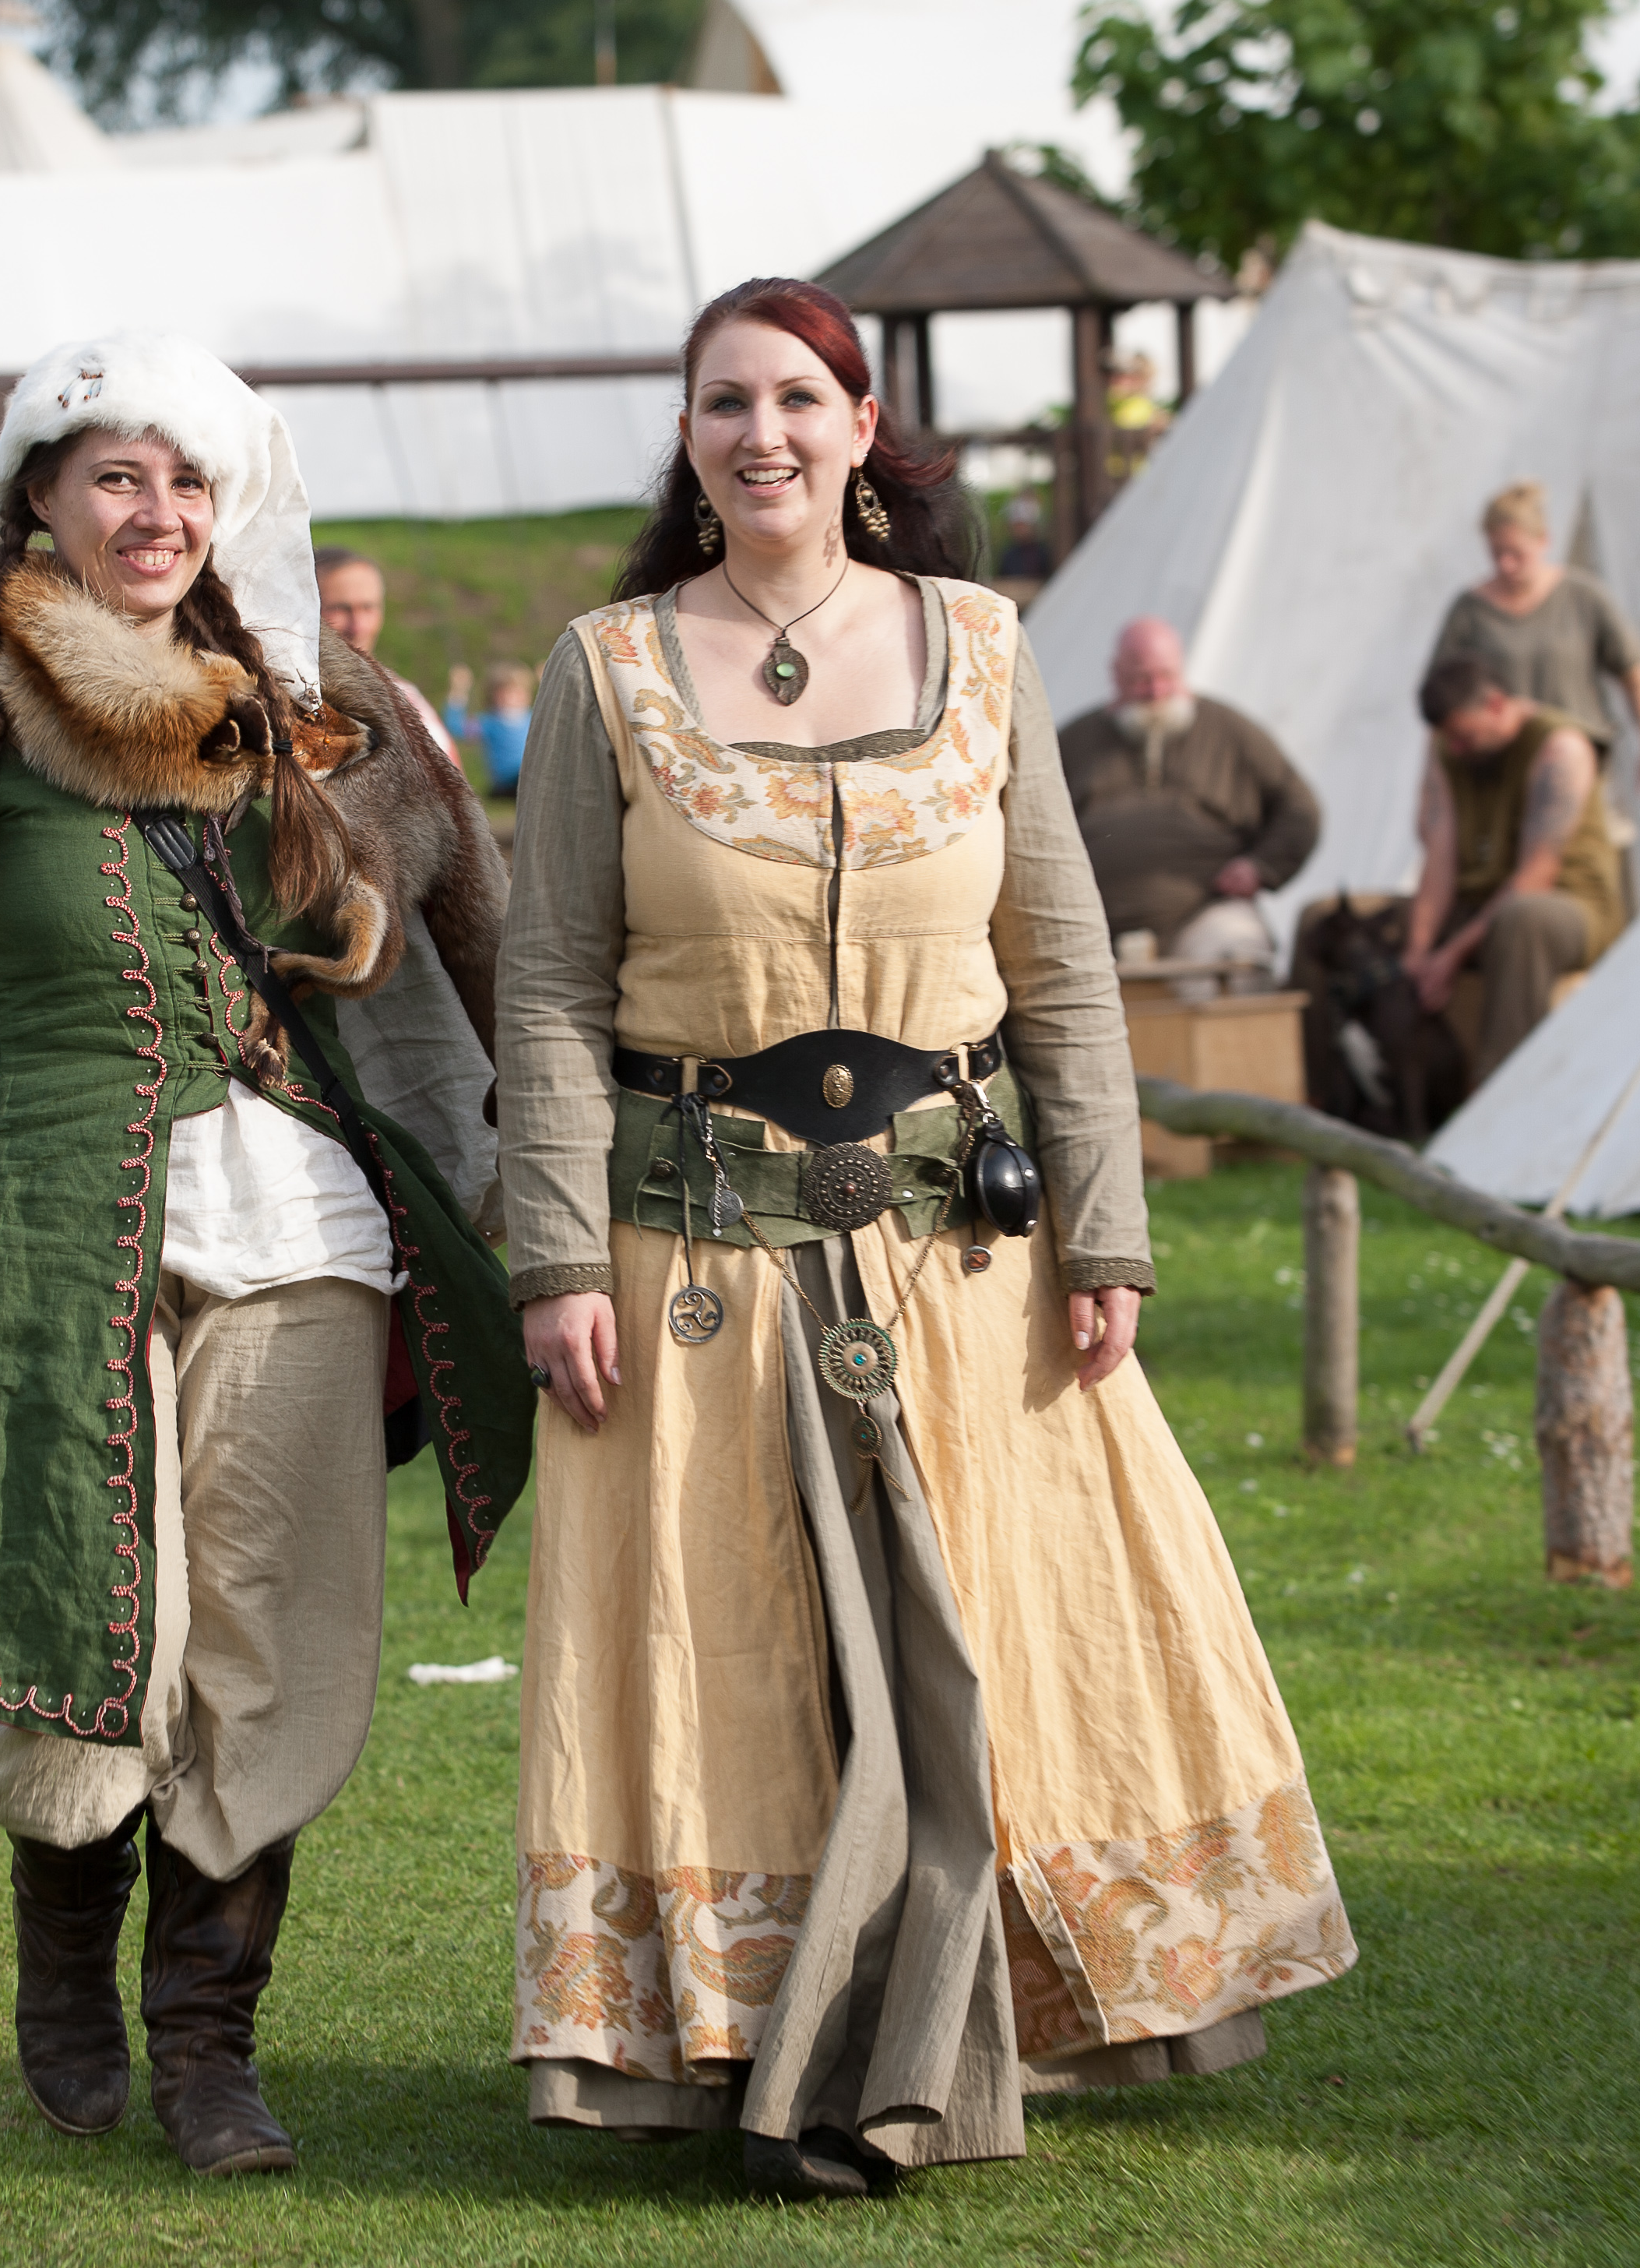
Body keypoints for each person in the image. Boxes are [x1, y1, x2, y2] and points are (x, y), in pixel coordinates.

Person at [497, 276, 1353, 2201]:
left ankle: (982, 2022)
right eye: (726, 403)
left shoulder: (982, 644)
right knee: (737, 1658)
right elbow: (545, 983)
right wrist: (552, 1257)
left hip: (959, 1255)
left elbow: (1062, 960)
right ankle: (761, 2041)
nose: (764, 434)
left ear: (863, 427)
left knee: (992, 1649)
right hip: (697, 1259)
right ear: (688, 437)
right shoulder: (606, 669)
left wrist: (1106, 1229)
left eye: (799, 398)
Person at [0, 332, 528, 2178]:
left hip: (295, 1231)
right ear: (40, 496)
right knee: (78, 1605)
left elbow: (446, 947)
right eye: (116, 474)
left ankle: (211, 2041)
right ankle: (64, 1955)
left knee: (270, 1631)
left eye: (186, 479)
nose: (155, 510)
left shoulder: (305, 705)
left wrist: (477, 1163)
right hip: (53, 1226)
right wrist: (2, 1151)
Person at [1057, 615, 1318, 991]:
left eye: (1166, 675)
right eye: (1141, 678)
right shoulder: (1074, 743)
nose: (1155, 690)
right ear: (1116, 675)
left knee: (1242, 956)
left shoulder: (1229, 732)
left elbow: (1300, 810)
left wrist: (1260, 866)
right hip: (1092, 927)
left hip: (1203, 913)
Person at [1406, 652, 1625, 1080]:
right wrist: (1417, 949)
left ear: (1496, 705)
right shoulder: (1447, 748)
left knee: (1521, 920)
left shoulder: (1561, 748)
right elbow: (1439, 858)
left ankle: (1503, 1085)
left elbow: (1536, 878)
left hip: (1569, 907)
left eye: (1464, 736)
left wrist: (1451, 954)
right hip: (1482, 902)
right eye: (1450, 739)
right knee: (1352, 924)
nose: (1456, 749)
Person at [1429, 481, 1640, 822]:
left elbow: (1637, 676)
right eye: (1496, 553)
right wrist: (1433, 792)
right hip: (1499, 780)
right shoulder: (1469, 612)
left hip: (1579, 772)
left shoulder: (1583, 597)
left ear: (1543, 540)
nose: (1506, 565)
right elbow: (1440, 710)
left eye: (1517, 553)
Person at [312, 544, 454, 763]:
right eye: (341, 609)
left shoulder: (405, 695)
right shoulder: (297, 711)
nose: (359, 627)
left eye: (368, 607)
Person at [442, 661, 533, 794]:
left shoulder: (533, 718)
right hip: (506, 782)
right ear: (493, 696)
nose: (511, 698)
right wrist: (459, 690)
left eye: (517, 692)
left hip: (530, 775)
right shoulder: (489, 722)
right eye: (504, 693)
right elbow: (456, 727)